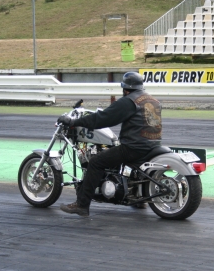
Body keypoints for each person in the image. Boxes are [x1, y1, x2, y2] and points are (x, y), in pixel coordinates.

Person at [57, 72, 162, 216]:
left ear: (125, 89)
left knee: (95, 162)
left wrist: (75, 122)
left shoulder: (129, 101)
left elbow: (102, 119)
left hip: (134, 147)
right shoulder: (153, 100)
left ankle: (81, 205)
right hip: (154, 145)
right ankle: (140, 199)